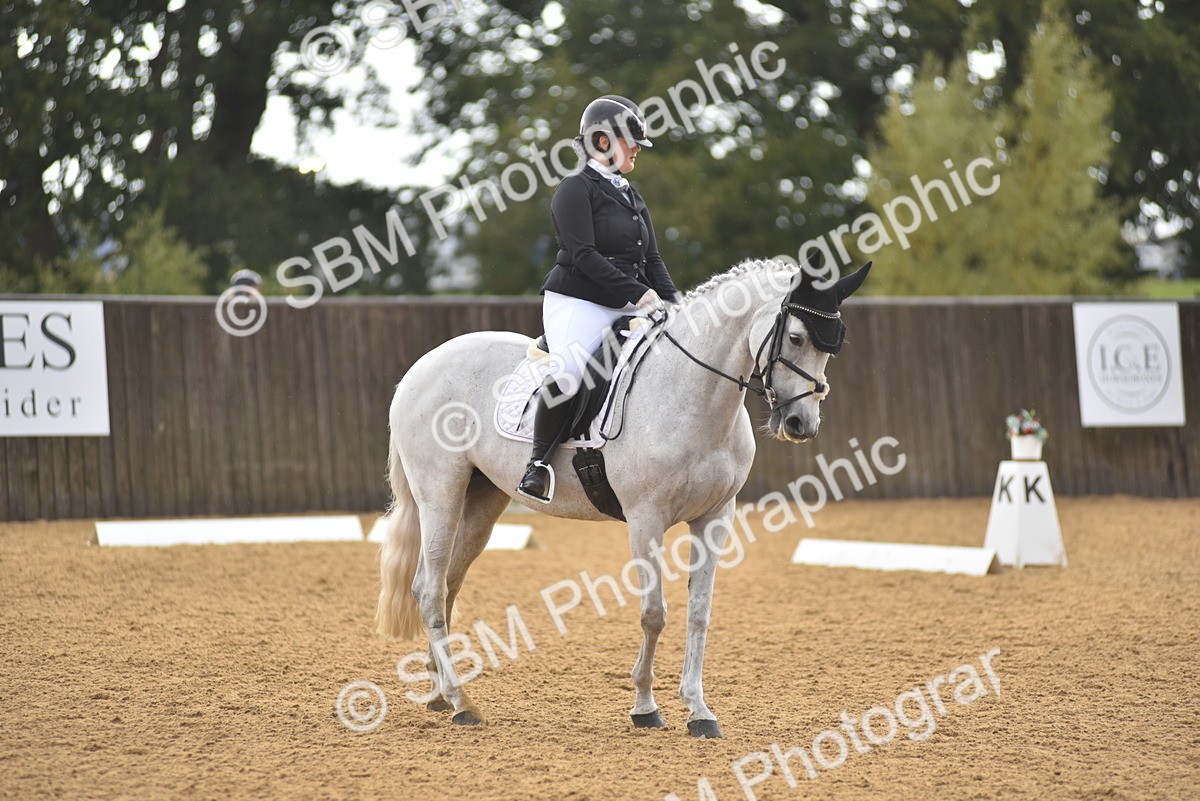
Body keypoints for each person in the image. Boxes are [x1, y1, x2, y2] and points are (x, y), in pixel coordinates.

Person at [517, 95, 682, 504]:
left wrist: (678, 305)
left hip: (628, 299)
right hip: (579, 299)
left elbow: (653, 258)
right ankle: (537, 464)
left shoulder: (630, 194)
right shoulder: (574, 190)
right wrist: (639, 294)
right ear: (603, 142)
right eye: (632, 143)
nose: (638, 152)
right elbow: (584, 256)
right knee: (572, 369)